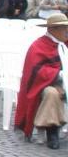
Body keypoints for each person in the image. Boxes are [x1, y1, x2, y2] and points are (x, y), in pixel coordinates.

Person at [14, 12, 68, 149]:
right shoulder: (38, 46)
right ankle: (52, 131)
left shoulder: (64, 44)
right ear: (53, 29)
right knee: (52, 94)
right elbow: (36, 72)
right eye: (64, 28)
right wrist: (60, 76)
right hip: (45, 84)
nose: (67, 31)